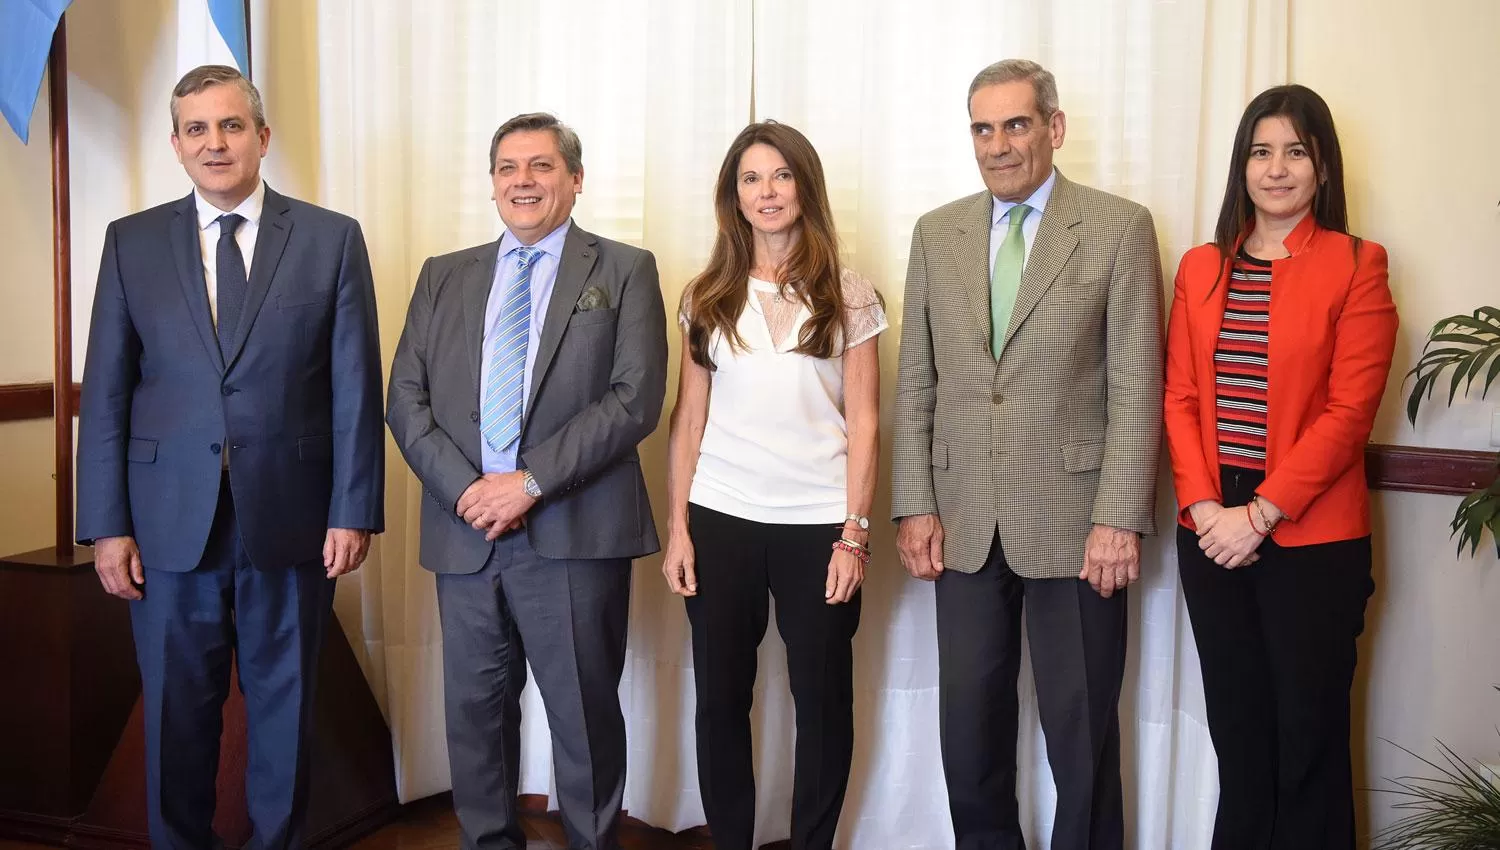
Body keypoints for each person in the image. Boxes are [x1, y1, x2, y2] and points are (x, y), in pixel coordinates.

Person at [75, 64, 385, 848]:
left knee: (284, 719)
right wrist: (106, 528)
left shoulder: (330, 238)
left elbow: (354, 388)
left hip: (292, 524)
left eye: (231, 125)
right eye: (196, 129)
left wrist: (354, 510)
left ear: (262, 136)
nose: (215, 143)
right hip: (167, 530)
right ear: (176, 145)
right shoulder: (130, 242)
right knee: (176, 718)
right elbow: (105, 396)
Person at [891, 59, 1164, 850]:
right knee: (968, 726)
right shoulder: (936, 232)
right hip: (965, 519)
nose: (998, 144)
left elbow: (1137, 384)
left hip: (1079, 527)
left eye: (1016, 124)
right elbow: (917, 380)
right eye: (983, 127)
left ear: (1054, 127)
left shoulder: (1118, 226)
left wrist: (1118, 518)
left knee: (1080, 732)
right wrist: (916, 502)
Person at [386, 112, 667, 850]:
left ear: (575, 180)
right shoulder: (443, 276)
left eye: (542, 166)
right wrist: (467, 490)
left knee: (582, 717)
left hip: (573, 532)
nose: (523, 181)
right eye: (508, 168)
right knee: (475, 717)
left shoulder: (624, 269)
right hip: (466, 533)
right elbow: (404, 396)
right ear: (491, 184)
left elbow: (634, 399)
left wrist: (529, 483)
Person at [1164, 84, 1397, 849]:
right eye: (1261, 151)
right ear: (1242, 166)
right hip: (1209, 531)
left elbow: (1347, 414)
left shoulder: (1357, 264)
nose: (1277, 168)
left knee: (1310, 739)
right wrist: (1204, 511)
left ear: (1322, 166)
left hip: (1312, 537)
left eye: (1296, 151)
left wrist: (1260, 513)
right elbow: (1182, 398)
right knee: (1239, 733)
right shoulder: (1200, 269)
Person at [662, 121, 885, 850]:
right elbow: (687, 420)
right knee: (720, 701)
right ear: (734, 195)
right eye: (751, 178)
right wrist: (678, 531)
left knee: (822, 702)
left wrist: (854, 534)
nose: (767, 192)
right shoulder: (707, 295)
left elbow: (866, 421)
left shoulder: (850, 297)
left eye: (781, 176)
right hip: (721, 517)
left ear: (805, 186)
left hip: (818, 524)